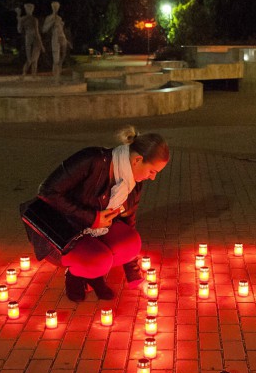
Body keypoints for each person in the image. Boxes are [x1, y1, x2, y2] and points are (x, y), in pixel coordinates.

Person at [21, 126, 169, 301]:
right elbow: (47, 191)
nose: (153, 178)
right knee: (99, 261)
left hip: (93, 232)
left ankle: (90, 268)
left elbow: (128, 221)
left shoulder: (133, 183)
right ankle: (76, 273)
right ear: (137, 160)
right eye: (152, 171)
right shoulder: (92, 160)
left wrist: (133, 273)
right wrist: (92, 218)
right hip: (61, 234)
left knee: (131, 243)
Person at [16, 3, 44, 78]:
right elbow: (19, 30)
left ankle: (32, 75)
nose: (30, 10)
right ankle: (25, 74)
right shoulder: (31, 19)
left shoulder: (32, 19)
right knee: (31, 59)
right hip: (30, 38)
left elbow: (19, 30)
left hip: (31, 39)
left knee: (33, 58)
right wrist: (18, 17)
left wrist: (18, 17)